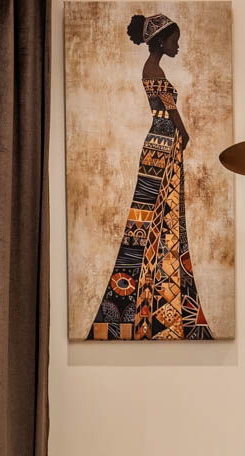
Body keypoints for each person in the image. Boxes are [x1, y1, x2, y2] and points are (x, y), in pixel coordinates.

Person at [88, 13, 214, 340]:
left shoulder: (152, 69)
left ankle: (159, 305)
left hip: (161, 142)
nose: (177, 45)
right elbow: (171, 111)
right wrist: (184, 134)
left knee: (159, 217)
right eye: (174, 40)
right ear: (160, 41)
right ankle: (144, 308)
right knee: (155, 217)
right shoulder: (154, 71)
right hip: (163, 141)